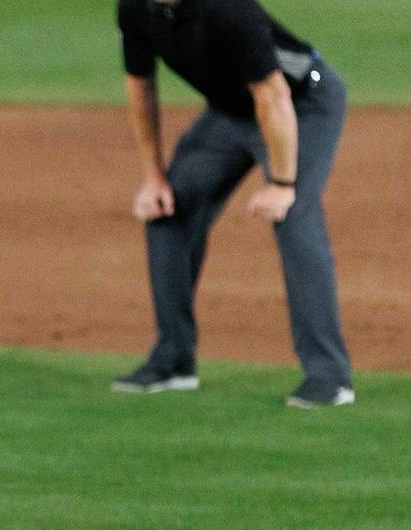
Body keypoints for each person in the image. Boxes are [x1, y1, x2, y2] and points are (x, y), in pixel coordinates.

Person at [112, 0, 354, 407]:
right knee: (168, 206)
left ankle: (329, 377)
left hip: (302, 104)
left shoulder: (228, 9)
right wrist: (154, 178)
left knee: (294, 215)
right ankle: (173, 360)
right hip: (231, 114)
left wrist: (282, 183)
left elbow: (272, 94)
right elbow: (141, 84)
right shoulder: (136, 8)